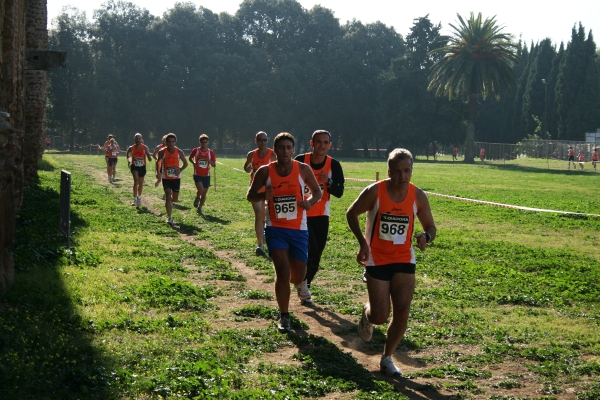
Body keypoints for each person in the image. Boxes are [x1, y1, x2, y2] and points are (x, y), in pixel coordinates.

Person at [346, 148, 436, 376]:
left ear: (412, 171)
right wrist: (362, 243)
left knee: (403, 311)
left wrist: (426, 237)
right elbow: (351, 213)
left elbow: (431, 227)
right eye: (397, 171)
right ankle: (367, 314)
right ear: (389, 171)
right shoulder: (374, 192)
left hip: (404, 259)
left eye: (406, 171)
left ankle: (387, 357)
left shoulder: (418, 195)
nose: (402, 176)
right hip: (377, 259)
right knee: (380, 315)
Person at [246, 132, 322, 333]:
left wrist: (309, 202)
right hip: (275, 228)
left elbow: (318, 192)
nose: (285, 151)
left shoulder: (303, 169)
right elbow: (250, 195)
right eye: (281, 147)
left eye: (289, 147)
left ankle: (299, 285)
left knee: (297, 276)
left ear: (293, 150)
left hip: (298, 229)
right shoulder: (265, 171)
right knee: (282, 271)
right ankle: (284, 315)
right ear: (275, 150)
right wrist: (264, 194)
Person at [293, 130, 344, 305]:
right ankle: (300, 279)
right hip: (301, 215)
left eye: (325, 142)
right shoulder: (300, 160)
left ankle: (305, 283)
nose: (322, 145)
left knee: (317, 254)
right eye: (318, 142)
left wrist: (328, 181)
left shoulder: (333, 165)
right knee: (311, 248)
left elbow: (339, 192)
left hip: (321, 215)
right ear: (311, 143)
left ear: (330, 145)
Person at [244, 131, 277, 257]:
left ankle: (267, 238)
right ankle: (260, 245)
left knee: (266, 217)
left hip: (269, 190)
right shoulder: (251, 154)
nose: (262, 142)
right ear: (256, 141)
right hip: (256, 189)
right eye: (260, 140)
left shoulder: (272, 154)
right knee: (258, 215)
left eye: (265, 140)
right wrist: (248, 169)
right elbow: (246, 167)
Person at [157, 133, 188, 226]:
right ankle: (169, 217)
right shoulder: (162, 151)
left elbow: (185, 163)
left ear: (175, 142)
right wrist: (158, 172)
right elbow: (158, 162)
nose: (171, 143)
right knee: (167, 196)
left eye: (172, 142)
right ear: (166, 142)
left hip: (176, 178)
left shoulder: (179, 152)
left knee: (175, 199)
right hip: (166, 177)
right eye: (169, 142)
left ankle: (169, 202)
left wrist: (180, 169)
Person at [189, 134, 216, 216]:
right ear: (200, 142)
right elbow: (190, 157)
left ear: (207, 142)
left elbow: (214, 165)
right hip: (197, 174)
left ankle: (200, 208)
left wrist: (209, 161)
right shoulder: (196, 150)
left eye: (205, 142)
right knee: (200, 190)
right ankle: (197, 198)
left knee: (204, 193)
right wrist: (194, 163)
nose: (204, 144)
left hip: (206, 175)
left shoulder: (210, 152)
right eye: (202, 142)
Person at [126, 133, 153, 206]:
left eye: (139, 138)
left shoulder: (145, 147)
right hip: (134, 166)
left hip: (142, 167)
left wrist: (149, 157)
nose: (138, 140)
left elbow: (148, 155)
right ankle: (135, 199)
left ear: (141, 139)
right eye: (136, 138)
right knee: (136, 181)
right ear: (134, 139)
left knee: (140, 183)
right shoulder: (132, 147)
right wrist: (128, 160)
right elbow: (128, 152)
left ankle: (139, 197)